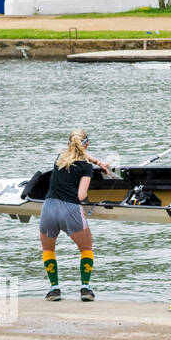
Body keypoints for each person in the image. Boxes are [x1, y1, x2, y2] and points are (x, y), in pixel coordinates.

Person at [39, 129, 111, 302]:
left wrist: (96, 161)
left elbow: (78, 154)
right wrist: (95, 167)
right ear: (86, 145)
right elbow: (81, 195)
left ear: (67, 145)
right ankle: (85, 288)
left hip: (48, 208)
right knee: (86, 249)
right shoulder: (86, 167)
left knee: (48, 249)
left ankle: (54, 289)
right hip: (71, 209)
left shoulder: (59, 159)